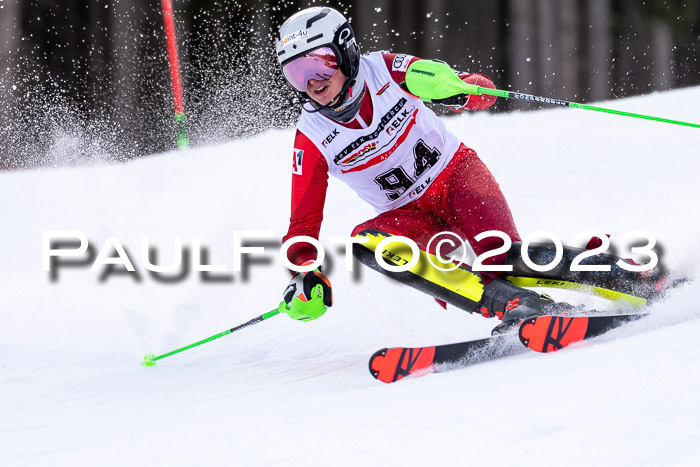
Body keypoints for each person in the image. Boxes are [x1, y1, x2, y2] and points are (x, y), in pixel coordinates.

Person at [274, 7, 665, 331]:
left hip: (458, 177)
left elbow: (457, 84)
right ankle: (518, 306)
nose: (312, 83)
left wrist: (464, 90)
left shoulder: (386, 70)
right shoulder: (312, 138)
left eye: (318, 65)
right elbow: (302, 228)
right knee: (367, 243)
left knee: (503, 258)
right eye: (296, 74)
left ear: (345, 51)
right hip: (411, 217)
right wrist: (304, 276)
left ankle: (631, 278)